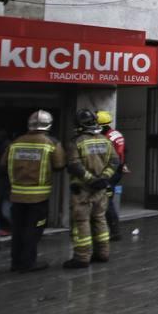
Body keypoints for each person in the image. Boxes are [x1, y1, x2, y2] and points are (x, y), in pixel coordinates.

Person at [3, 110, 64, 273]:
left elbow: (3, 163)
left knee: (18, 230)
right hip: (38, 197)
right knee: (33, 230)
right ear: (49, 125)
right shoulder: (51, 143)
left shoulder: (15, 142)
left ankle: (16, 262)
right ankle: (28, 262)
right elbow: (59, 165)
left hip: (16, 195)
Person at [63, 109, 119, 269]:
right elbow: (115, 162)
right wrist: (104, 179)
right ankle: (103, 253)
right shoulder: (105, 140)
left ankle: (82, 257)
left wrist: (91, 180)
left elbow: (74, 165)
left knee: (82, 221)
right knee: (100, 219)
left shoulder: (77, 141)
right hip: (100, 190)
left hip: (83, 191)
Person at [97, 110, 127, 241]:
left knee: (107, 201)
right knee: (107, 199)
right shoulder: (115, 134)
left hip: (111, 172)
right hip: (116, 170)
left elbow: (113, 156)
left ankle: (115, 231)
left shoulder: (108, 137)